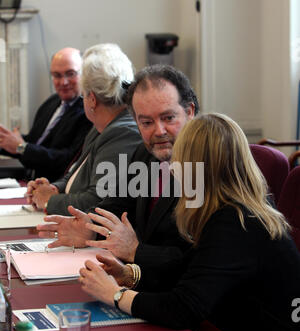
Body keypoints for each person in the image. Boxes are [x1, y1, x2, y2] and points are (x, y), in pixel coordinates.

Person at [79, 113, 300, 331]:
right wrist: (130, 275)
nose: (172, 169)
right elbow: (191, 270)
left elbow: (183, 309)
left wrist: (114, 295)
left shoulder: (237, 222)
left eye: (179, 160)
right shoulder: (236, 208)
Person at [36, 65, 199, 275]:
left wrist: (136, 251)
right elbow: (118, 204)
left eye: (168, 118)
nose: (158, 131)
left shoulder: (206, 164)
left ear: (189, 112)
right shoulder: (145, 153)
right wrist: (90, 228)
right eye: (147, 122)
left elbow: (196, 258)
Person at [25, 43, 142, 216]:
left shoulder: (123, 132)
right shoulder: (101, 127)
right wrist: (53, 188)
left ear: (92, 99)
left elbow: (98, 200)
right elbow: (75, 173)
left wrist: (49, 200)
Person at [0, 47, 92, 182]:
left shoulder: (89, 111)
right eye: (57, 75)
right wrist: (5, 141)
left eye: (71, 74)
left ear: (85, 74)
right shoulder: (52, 102)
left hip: (55, 186)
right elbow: (34, 142)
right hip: (29, 181)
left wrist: (21, 148)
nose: (63, 82)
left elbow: (68, 159)